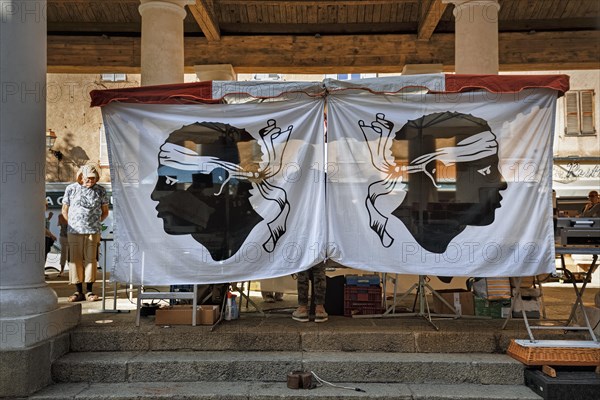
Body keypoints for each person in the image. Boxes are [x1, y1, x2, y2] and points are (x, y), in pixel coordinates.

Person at [62, 164, 109, 302]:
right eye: (88, 178)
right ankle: (78, 292)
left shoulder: (101, 190)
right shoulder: (71, 189)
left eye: (93, 178)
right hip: (74, 231)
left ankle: (89, 291)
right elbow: (65, 210)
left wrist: (95, 223)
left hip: (93, 231)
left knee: (91, 260)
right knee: (74, 260)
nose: (91, 181)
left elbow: (105, 211)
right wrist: (71, 224)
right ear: (81, 177)